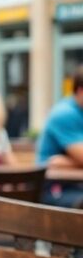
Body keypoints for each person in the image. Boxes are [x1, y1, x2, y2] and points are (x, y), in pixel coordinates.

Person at [36, 66, 83, 208]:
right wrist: (78, 161)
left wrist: (68, 162)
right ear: (80, 91)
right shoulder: (64, 113)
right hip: (54, 188)